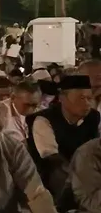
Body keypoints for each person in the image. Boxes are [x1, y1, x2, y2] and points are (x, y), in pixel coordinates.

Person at [29, 73, 99, 205]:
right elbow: (52, 157)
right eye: (81, 98)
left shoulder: (94, 117)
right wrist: (79, 177)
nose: (87, 103)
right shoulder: (44, 120)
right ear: (62, 98)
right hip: (52, 175)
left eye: (90, 98)